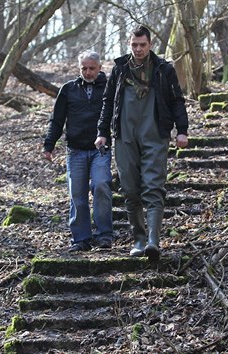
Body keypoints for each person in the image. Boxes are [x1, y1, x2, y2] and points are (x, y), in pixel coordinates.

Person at [95, 25, 188, 261]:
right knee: (129, 188)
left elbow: (177, 100)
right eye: (134, 45)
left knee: (154, 186)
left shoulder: (163, 70)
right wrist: (102, 132)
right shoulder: (119, 69)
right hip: (125, 136)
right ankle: (138, 238)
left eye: (142, 45)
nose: (138, 49)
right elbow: (108, 102)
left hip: (155, 134)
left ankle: (153, 241)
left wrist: (182, 130)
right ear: (129, 44)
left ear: (150, 45)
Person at [44, 50, 113, 252]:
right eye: (84, 68)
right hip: (75, 150)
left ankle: (104, 235)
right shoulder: (68, 89)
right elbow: (57, 120)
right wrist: (49, 145)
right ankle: (81, 239)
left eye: (92, 68)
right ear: (79, 68)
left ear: (100, 68)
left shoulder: (109, 89)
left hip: (100, 149)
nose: (88, 72)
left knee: (101, 185)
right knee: (77, 195)